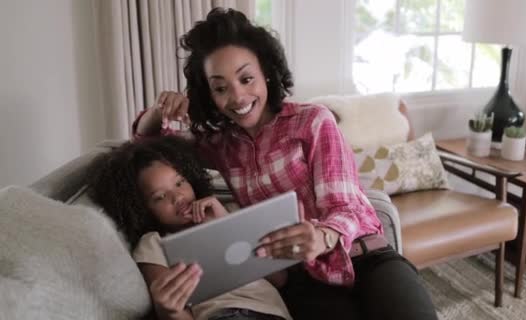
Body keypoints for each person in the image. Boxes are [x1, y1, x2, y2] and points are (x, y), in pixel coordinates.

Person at [133, 7, 437, 320]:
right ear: (209, 95)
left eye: (246, 78)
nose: (237, 97)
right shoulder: (220, 145)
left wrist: (322, 236)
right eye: (221, 88)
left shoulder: (312, 122)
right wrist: (159, 111)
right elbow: (150, 148)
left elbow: (348, 207)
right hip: (306, 281)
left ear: (266, 73)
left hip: (367, 257)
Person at [88, 136, 292, 320]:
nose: (177, 197)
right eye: (160, 197)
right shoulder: (154, 243)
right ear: (142, 209)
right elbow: (173, 308)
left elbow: (279, 279)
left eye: (180, 183)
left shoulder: (231, 210)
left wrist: (225, 224)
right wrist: (168, 309)